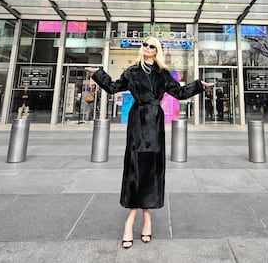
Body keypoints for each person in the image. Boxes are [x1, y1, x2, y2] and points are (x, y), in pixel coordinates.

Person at [86, 37, 213, 250]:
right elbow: (113, 87)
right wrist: (97, 73)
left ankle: (145, 219)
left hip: (154, 122)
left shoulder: (163, 73)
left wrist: (199, 84)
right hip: (136, 122)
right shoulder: (132, 71)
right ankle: (132, 220)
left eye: (152, 46)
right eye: (145, 44)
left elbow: (180, 93)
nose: (147, 48)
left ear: (157, 51)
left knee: (151, 169)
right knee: (134, 168)